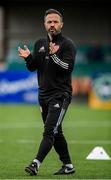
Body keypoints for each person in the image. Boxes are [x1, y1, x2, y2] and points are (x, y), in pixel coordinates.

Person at [18, 8, 76, 176]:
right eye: (49, 22)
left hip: (61, 95)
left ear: (61, 24)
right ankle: (68, 165)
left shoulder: (67, 44)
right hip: (43, 96)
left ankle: (35, 163)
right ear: (44, 24)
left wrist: (54, 56)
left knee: (49, 131)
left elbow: (68, 67)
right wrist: (29, 58)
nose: (52, 25)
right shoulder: (39, 43)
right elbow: (33, 67)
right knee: (57, 132)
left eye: (55, 22)